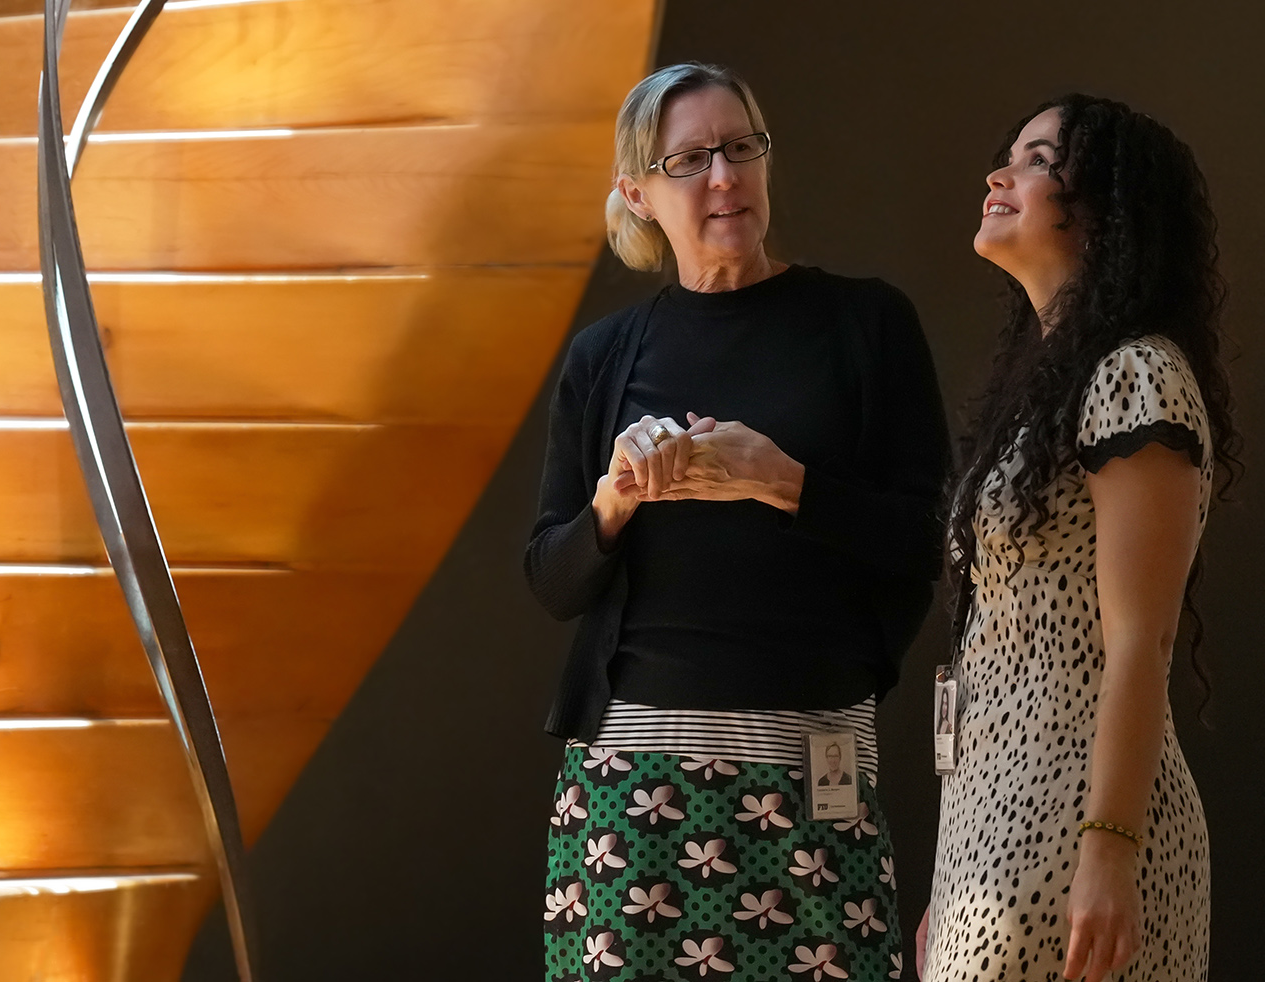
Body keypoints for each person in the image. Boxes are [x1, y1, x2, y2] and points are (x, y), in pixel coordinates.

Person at [527, 62, 949, 981]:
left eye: (741, 148)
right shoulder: (604, 359)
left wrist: (783, 480)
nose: (725, 178)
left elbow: (927, 543)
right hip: (632, 789)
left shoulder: (864, 324)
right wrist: (617, 499)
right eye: (691, 160)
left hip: (812, 765)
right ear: (637, 193)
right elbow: (551, 579)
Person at [918, 95, 1238, 982]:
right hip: (990, 826)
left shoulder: (1136, 373)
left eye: (1039, 160)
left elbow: (1144, 639)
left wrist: (1108, 853)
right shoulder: (1050, 387)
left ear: (1106, 208)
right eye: (1009, 153)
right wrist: (955, 882)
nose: (1000, 174)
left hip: (1080, 825)